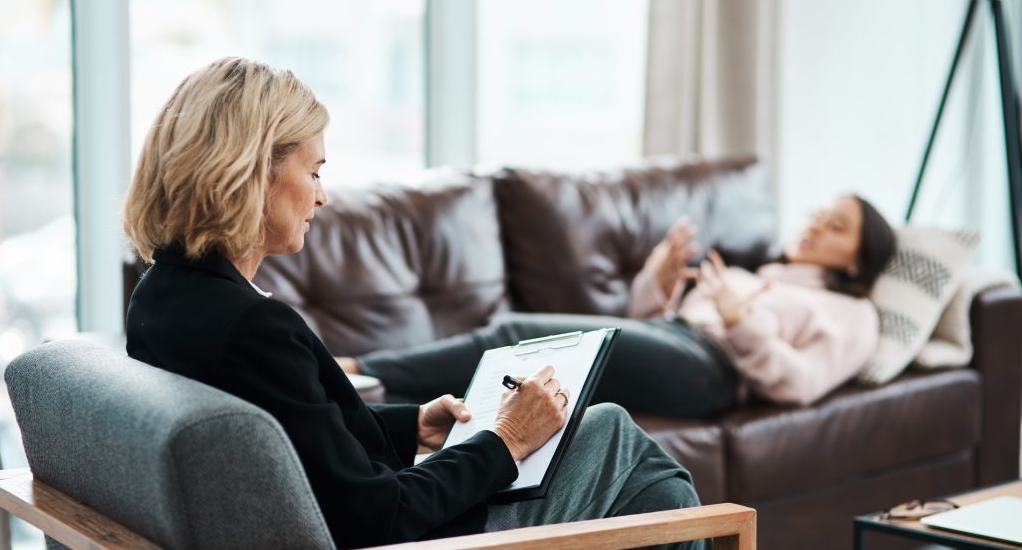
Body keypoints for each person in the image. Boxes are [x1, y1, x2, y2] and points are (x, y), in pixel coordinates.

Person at [121, 57, 711, 550]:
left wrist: (410, 424)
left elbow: (291, 444)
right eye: (314, 170)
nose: (322, 196)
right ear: (253, 172)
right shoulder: (253, 328)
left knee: (663, 503)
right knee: (613, 434)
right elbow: (376, 516)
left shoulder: (164, 296)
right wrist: (505, 442)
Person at [342, 195, 896, 417]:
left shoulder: (853, 315)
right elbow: (645, 325)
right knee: (513, 371)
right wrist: (658, 281)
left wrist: (740, 320)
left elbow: (800, 385)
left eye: (837, 226)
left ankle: (360, 373)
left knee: (516, 334)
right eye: (820, 212)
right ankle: (369, 405)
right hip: (678, 342)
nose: (817, 223)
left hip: (713, 370)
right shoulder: (759, 274)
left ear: (858, 260)